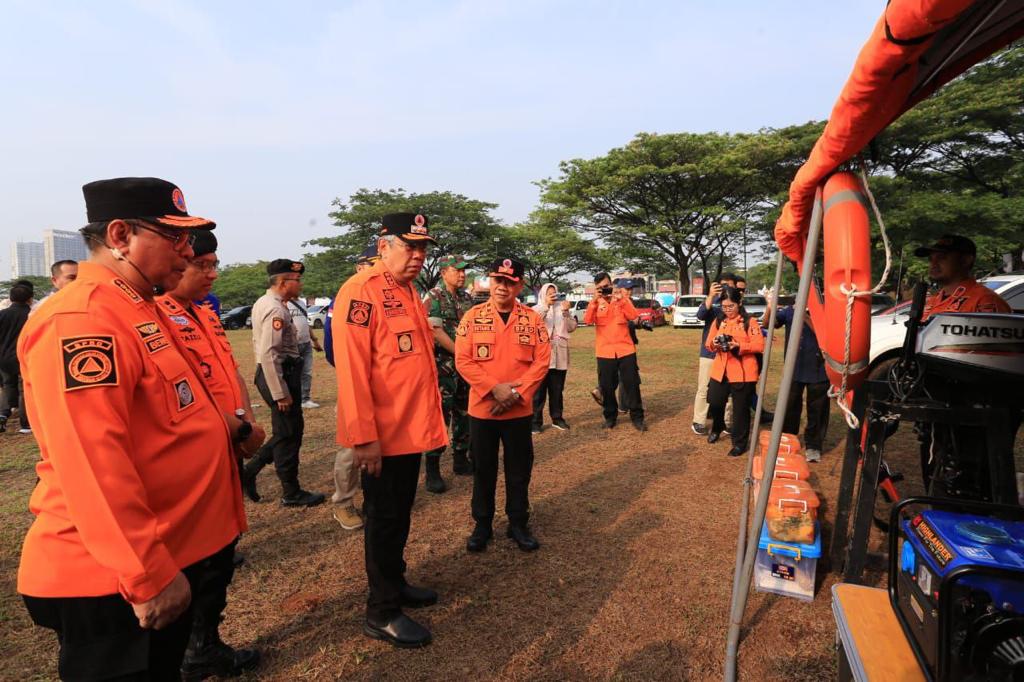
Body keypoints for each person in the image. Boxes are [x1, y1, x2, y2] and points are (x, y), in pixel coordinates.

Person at [16, 177, 248, 680]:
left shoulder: (139, 306)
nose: (188, 253)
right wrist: (147, 573)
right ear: (120, 236)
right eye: (175, 237)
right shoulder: (81, 318)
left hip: (163, 551)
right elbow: (91, 459)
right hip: (111, 578)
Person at [333, 213, 448, 648]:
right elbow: (353, 371)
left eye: (423, 248)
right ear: (384, 246)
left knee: (399, 514)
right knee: (382, 520)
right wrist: (363, 437)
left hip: (409, 430)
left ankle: (396, 585)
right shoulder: (359, 292)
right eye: (409, 246)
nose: (418, 256)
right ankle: (381, 611)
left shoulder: (406, 289)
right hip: (381, 435)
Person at [156, 229, 265, 679]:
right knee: (197, 561)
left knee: (220, 556)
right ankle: (187, 652)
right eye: (202, 264)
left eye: (213, 264)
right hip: (192, 458)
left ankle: (206, 643)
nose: (211, 273)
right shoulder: (155, 319)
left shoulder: (204, 314)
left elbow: (229, 373)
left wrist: (247, 421)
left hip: (227, 449)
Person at [456, 257, 551, 553]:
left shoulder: (532, 319)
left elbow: (541, 360)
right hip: (483, 410)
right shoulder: (472, 317)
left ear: (519, 285)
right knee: (483, 469)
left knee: (519, 469)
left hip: (519, 410)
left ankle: (518, 522)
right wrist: (493, 389)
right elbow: (463, 359)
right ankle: (482, 524)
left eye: (510, 282)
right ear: (489, 281)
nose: (502, 287)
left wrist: (515, 394)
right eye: (498, 280)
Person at [242, 260, 325, 507]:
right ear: (282, 282)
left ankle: (256, 473)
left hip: (278, 374)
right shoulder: (275, 309)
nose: (300, 284)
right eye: (296, 280)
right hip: (278, 375)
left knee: (288, 431)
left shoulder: (271, 303)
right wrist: (280, 393)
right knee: (289, 433)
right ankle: (289, 491)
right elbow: (269, 354)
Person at [323, 244, 380, 531]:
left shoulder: (387, 295)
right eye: (371, 264)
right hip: (354, 381)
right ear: (360, 267)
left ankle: (374, 499)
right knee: (351, 446)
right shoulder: (347, 296)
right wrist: (352, 374)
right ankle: (343, 503)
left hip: (383, 385)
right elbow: (333, 348)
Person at [421, 254, 475, 492]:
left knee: (465, 412)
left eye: (464, 270)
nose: (462, 274)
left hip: (465, 368)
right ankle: (432, 469)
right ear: (444, 273)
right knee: (440, 418)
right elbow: (434, 331)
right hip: (442, 367)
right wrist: (462, 354)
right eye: (457, 270)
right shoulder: (433, 297)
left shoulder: (467, 298)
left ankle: (461, 459)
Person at [763, 301, 829, 462]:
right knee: (790, 406)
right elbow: (768, 324)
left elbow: (824, 335)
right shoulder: (789, 310)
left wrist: (804, 315)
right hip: (794, 367)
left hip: (819, 369)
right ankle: (788, 440)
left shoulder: (826, 311)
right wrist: (770, 306)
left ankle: (814, 446)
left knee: (817, 409)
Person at [705, 286, 765, 456]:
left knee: (740, 410)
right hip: (720, 370)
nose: (727, 310)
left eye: (730, 306)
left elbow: (759, 345)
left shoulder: (749, 322)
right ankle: (717, 426)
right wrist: (715, 344)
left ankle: (739, 443)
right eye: (724, 307)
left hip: (743, 372)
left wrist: (739, 346)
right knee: (715, 402)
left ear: (739, 303)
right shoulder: (718, 321)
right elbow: (708, 344)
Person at [585, 272, 646, 431]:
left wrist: (622, 299)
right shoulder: (595, 303)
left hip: (625, 349)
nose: (604, 289)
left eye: (606, 286)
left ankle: (637, 417)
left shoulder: (621, 300)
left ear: (611, 285)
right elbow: (587, 320)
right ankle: (610, 417)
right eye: (600, 288)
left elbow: (633, 315)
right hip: (604, 352)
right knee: (606, 387)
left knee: (632, 385)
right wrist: (594, 301)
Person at [917, 234, 1011, 320]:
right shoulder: (934, 300)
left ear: (965, 261)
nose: (933, 264)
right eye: (930, 259)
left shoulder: (984, 301)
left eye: (941, 258)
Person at [691, 274, 735, 435]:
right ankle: (699, 420)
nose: (726, 289)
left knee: (730, 389)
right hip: (709, 353)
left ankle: (728, 421)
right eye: (723, 285)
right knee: (704, 388)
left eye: (730, 286)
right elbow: (700, 315)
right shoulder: (713, 303)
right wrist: (710, 295)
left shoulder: (737, 305)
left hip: (730, 354)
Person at [532, 282, 576, 433]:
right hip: (542, 356)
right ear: (543, 294)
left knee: (557, 390)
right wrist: (546, 305)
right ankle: (535, 422)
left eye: (554, 293)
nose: (552, 296)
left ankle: (557, 418)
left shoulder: (562, 309)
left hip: (559, 355)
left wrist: (566, 312)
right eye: (549, 293)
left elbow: (571, 327)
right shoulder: (537, 309)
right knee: (538, 392)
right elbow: (534, 322)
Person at [0, 282, 33, 433]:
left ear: (11, 298)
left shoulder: (2, 314)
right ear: (30, 299)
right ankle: (25, 425)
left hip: (4, 358)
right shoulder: (33, 315)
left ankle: (2, 415)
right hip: (25, 357)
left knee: (8, 386)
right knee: (25, 390)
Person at [287, 296, 324, 409]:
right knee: (292, 373)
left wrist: (315, 340)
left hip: (306, 343)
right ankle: (292, 398)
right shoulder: (283, 303)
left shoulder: (302, 303)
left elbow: (306, 324)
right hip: (293, 345)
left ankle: (305, 399)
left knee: (306, 372)